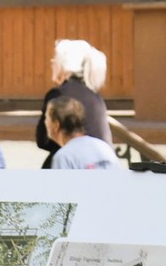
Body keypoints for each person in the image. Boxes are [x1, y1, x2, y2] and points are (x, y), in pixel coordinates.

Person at [36, 39, 111, 168]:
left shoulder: (59, 95)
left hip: (73, 167)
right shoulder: (95, 96)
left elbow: (43, 140)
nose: (52, 63)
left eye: (55, 60)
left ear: (65, 65)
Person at [43, 95, 117, 171]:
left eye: (46, 118)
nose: (45, 122)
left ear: (56, 125)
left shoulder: (64, 156)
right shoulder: (103, 146)